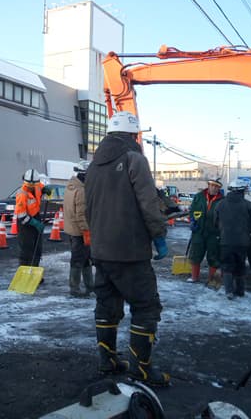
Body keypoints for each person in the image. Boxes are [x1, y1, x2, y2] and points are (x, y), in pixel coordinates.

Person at [85, 110, 170, 387]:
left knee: (106, 306)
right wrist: (158, 235)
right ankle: (141, 370)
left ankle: (107, 361)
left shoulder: (94, 165)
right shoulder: (134, 158)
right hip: (130, 252)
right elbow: (148, 202)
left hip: (101, 251)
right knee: (146, 307)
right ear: (134, 134)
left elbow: (88, 209)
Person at [214, 179, 251, 300]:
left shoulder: (220, 204)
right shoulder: (248, 205)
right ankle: (240, 291)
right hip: (243, 242)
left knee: (227, 266)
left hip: (225, 241)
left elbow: (215, 222)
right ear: (242, 191)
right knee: (240, 265)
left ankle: (229, 291)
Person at [62, 160, 94, 297]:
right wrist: (86, 231)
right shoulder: (81, 191)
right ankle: (74, 288)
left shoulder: (71, 186)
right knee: (78, 260)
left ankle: (90, 286)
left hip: (72, 229)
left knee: (85, 258)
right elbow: (81, 214)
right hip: (80, 231)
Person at [187, 178, 224, 288]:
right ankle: (194, 277)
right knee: (195, 253)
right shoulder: (199, 197)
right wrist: (192, 221)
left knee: (213, 256)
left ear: (219, 188)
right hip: (198, 230)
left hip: (214, 232)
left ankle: (212, 280)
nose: (214, 188)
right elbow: (192, 210)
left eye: (216, 186)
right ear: (208, 185)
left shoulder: (222, 200)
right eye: (212, 185)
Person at [14, 169, 49, 268]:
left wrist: (45, 189)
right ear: (25, 182)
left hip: (36, 216)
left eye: (33, 185)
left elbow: (40, 187)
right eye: (29, 185)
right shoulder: (21, 194)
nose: (31, 187)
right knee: (26, 250)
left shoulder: (37, 186)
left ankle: (34, 269)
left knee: (37, 248)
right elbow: (21, 216)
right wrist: (35, 223)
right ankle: (24, 270)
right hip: (25, 224)